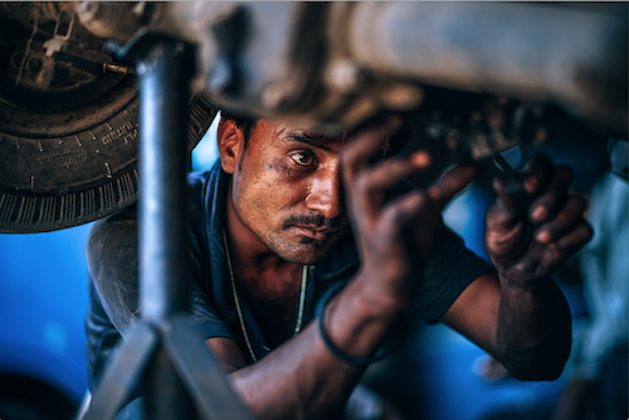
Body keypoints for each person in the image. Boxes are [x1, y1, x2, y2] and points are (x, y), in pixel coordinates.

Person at [85, 114, 592, 419]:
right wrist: (370, 295)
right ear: (232, 144)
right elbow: (224, 407)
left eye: (359, 166)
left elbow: (535, 359)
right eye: (302, 157)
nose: (330, 205)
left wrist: (523, 279)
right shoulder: (137, 239)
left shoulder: (378, 218)